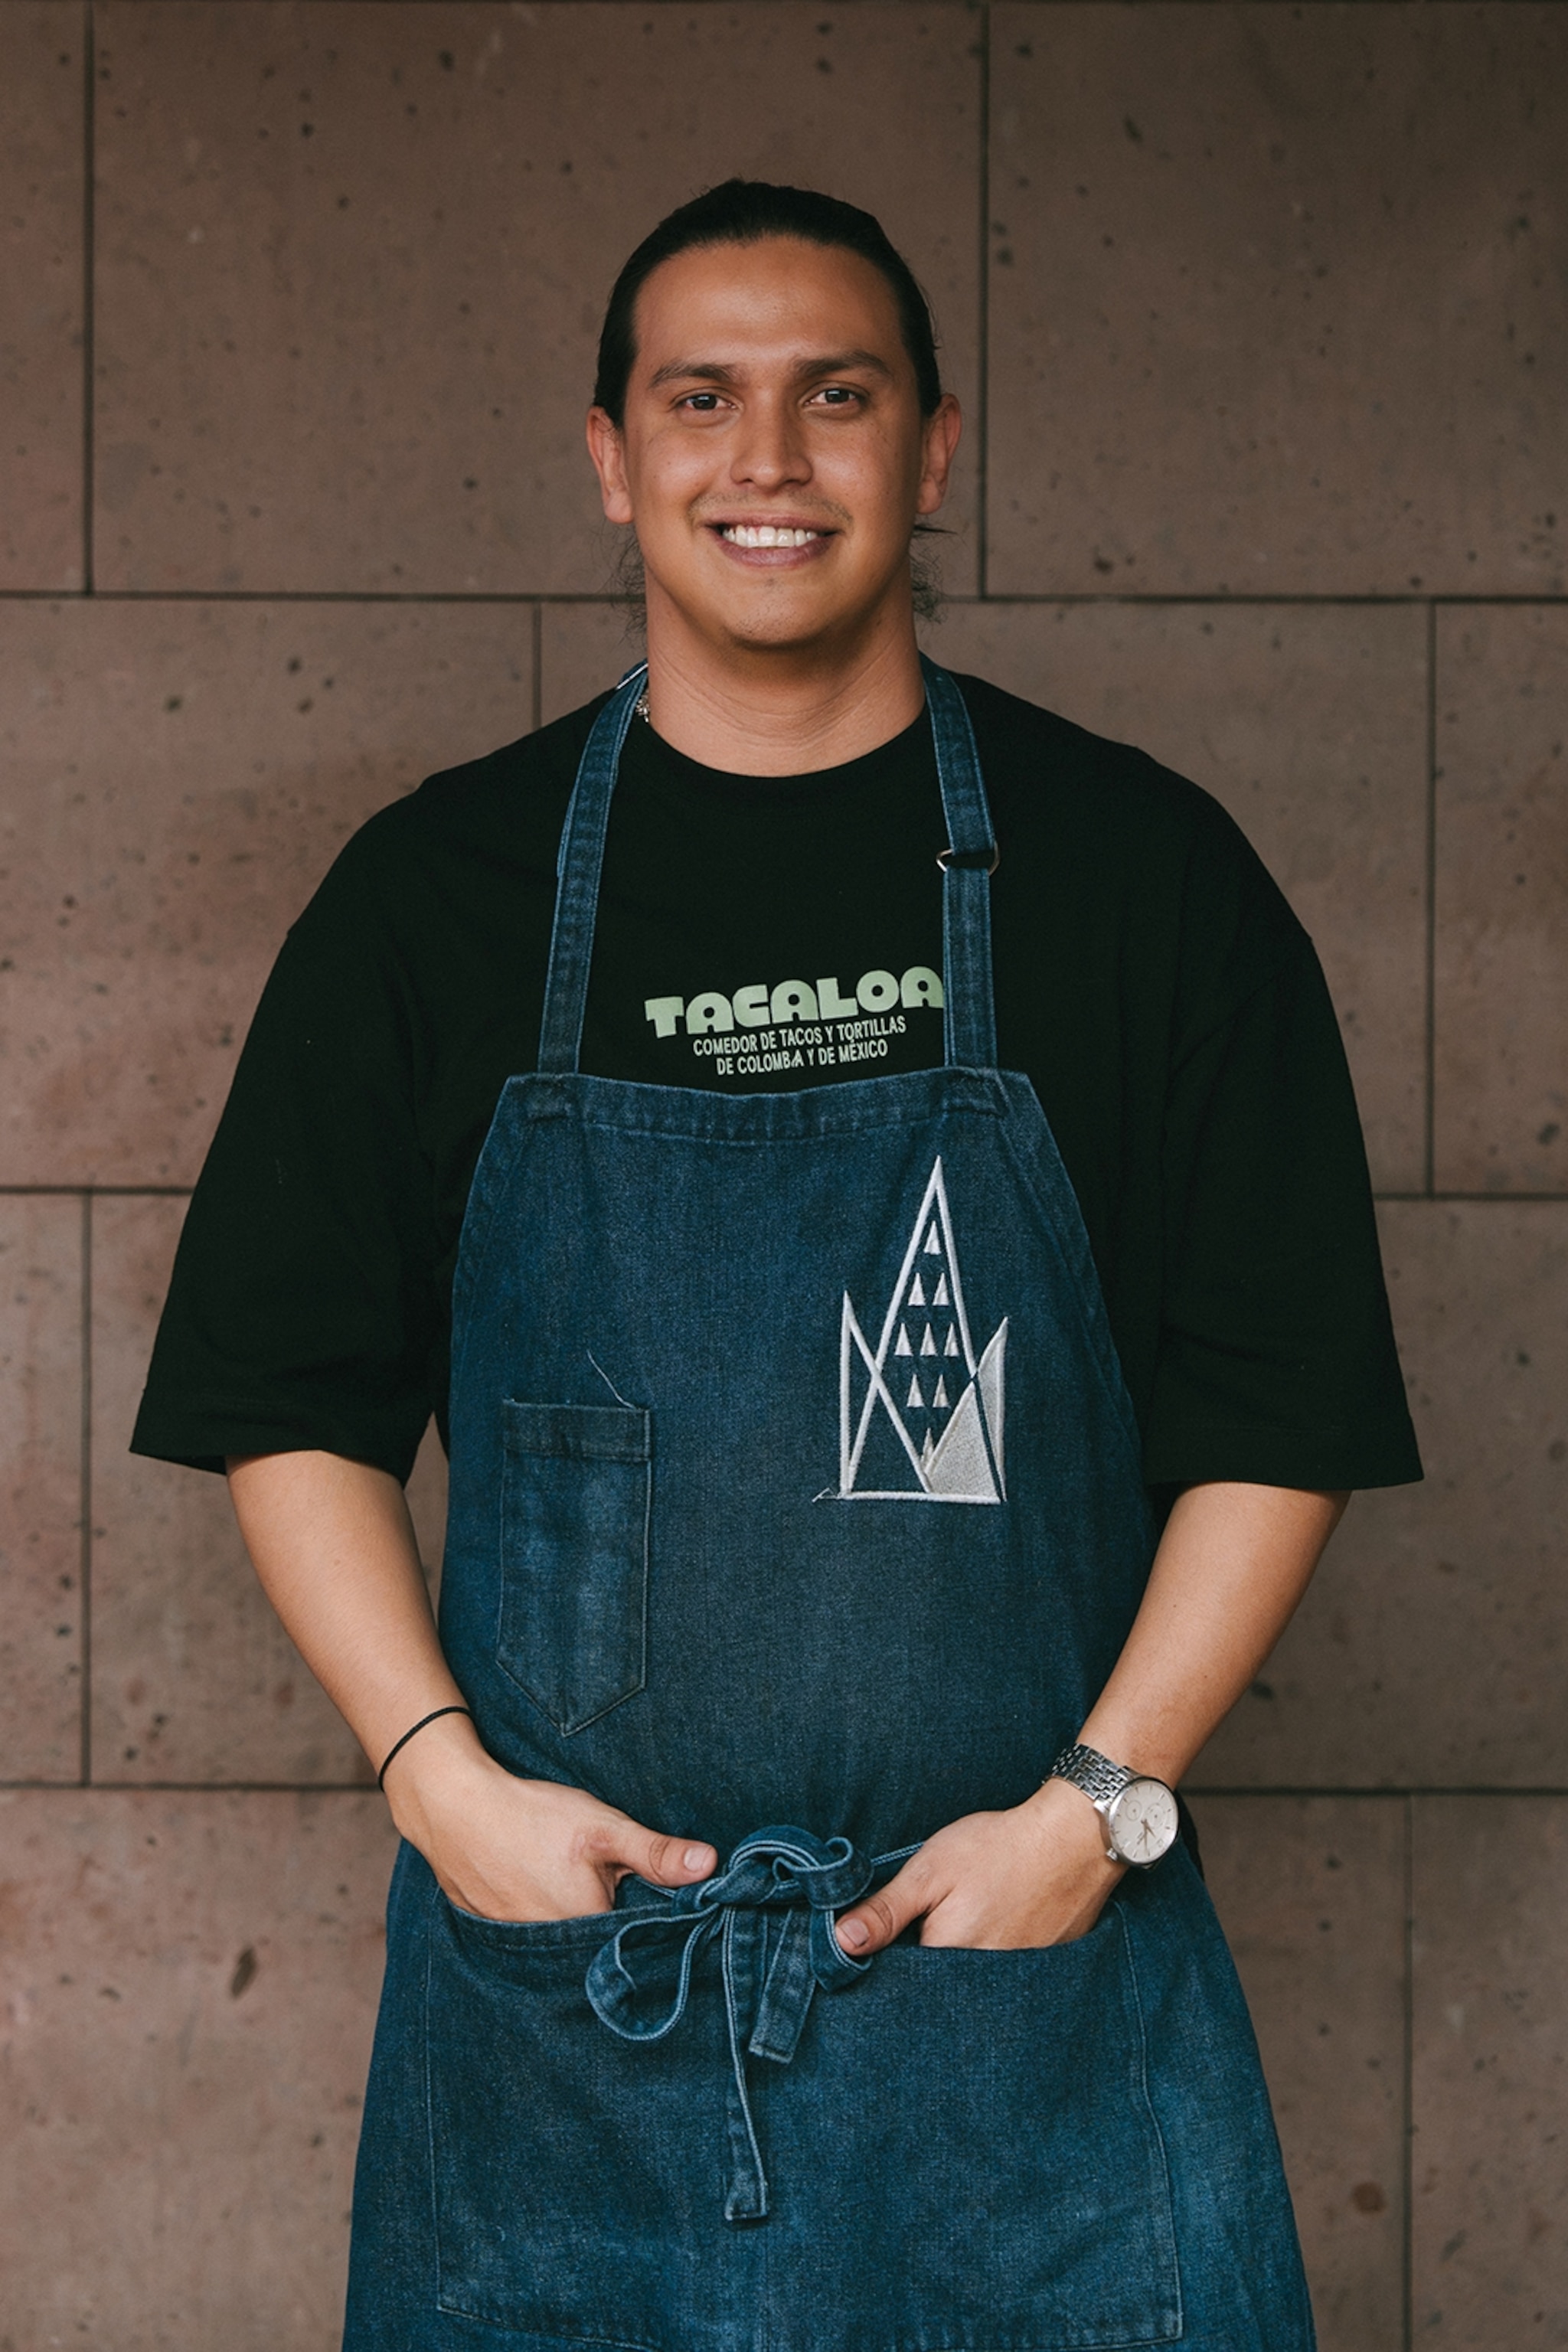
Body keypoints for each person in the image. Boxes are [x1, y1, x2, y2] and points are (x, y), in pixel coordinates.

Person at [134, 180, 1421, 2351]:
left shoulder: (1143, 877)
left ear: (932, 449)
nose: (767, 460)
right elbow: (289, 1400)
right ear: (613, 457)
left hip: (1023, 2016)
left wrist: (1094, 1818)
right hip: (569, 2029)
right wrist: (438, 1786)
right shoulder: (430, 899)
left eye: (836, 397)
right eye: (700, 399)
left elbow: (1277, 1407)